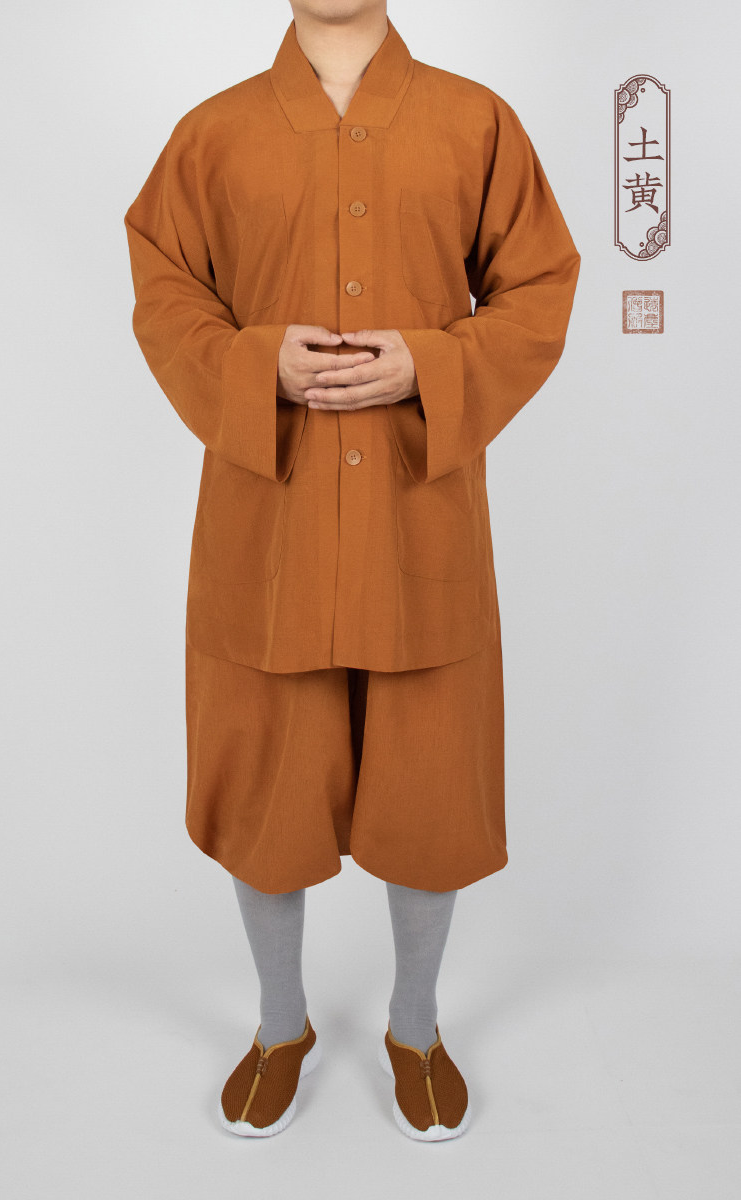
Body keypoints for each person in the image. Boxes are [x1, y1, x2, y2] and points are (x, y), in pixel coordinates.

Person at [123, 0, 580, 1142]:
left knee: (430, 790)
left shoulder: (475, 122)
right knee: (264, 789)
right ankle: (280, 1025)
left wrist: (428, 365)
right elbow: (165, 295)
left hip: (420, 526)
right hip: (267, 528)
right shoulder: (212, 133)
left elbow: (539, 290)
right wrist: (251, 365)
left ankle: (414, 1028)